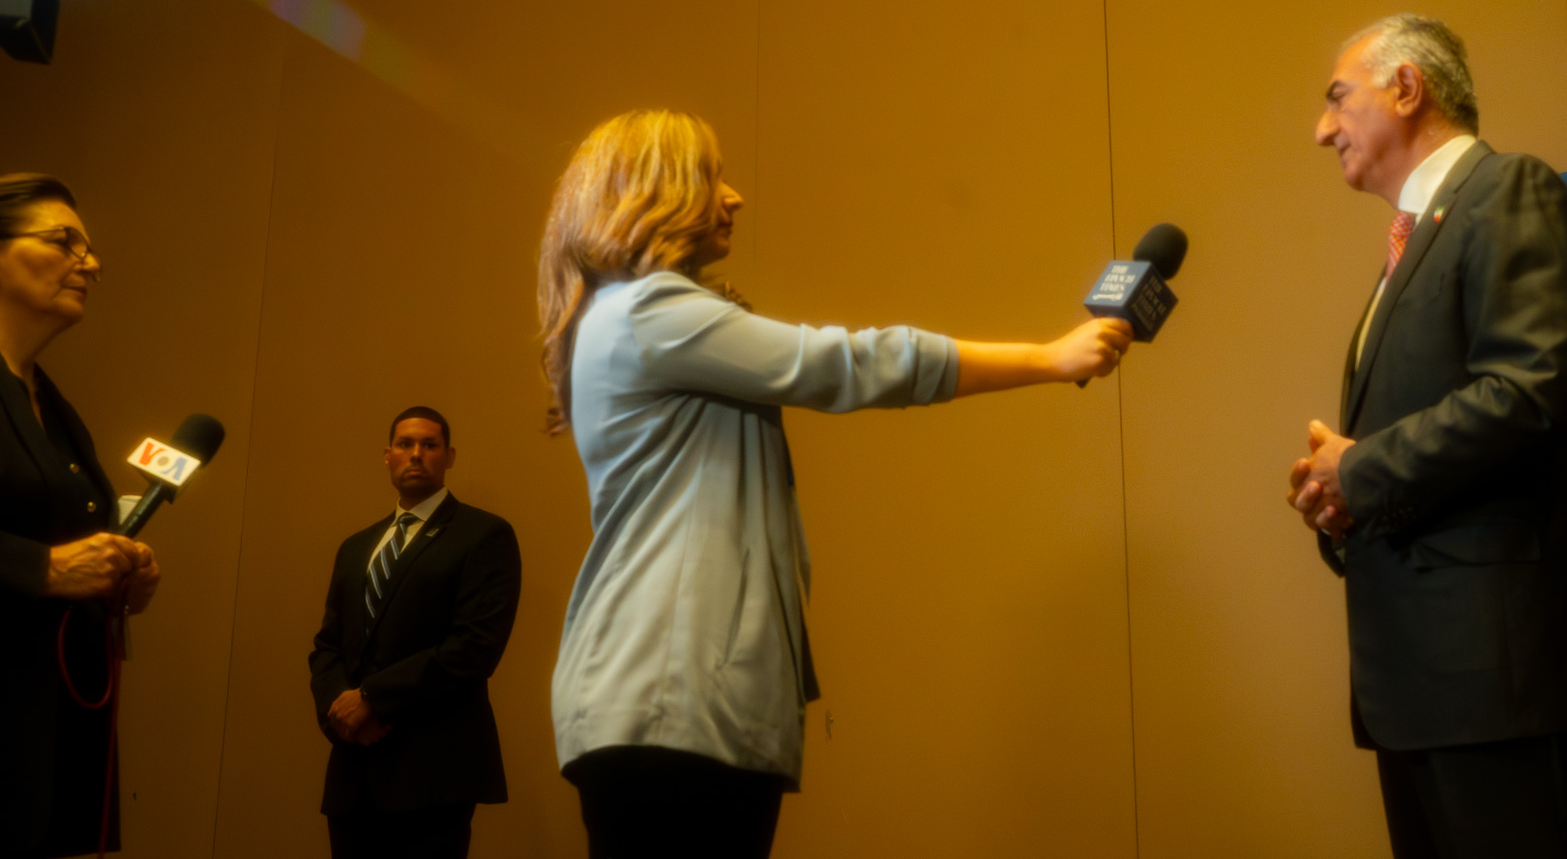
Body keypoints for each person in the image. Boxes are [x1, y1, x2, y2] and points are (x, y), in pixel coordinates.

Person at [539, 110, 1133, 858]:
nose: (735, 196)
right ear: (656, 192)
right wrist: (1049, 359)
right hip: (669, 697)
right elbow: (847, 365)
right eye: (711, 177)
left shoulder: (621, 317)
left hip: (660, 697)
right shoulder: (649, 313)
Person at [1286, 16, 1567, 858]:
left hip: (1496, 676)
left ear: (1405, 87)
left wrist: (1366, 467)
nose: (1322, 130)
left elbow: (1528, 392)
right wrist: (1340, 498)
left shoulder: (1510, 192)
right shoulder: (1411, 243)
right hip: (1418, 684)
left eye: (1337, 99)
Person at [0, 173, 161, 859]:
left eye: (90, 247)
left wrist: (116, 571)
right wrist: (40, 567)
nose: (91, 263)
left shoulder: (50, 400)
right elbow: (36, 560)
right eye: (64, 241)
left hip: (53, 726)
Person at [308, 407, 522, 859]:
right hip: (354, 770)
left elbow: (474, 648)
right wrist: (340, 717)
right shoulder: (356, 546)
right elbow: (328, 645)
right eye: (405, 444)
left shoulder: (484, 535)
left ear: (449, 457)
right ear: (387, 456)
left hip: (434, 770)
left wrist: (371, 697)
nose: (416, 454)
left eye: (430, 445)